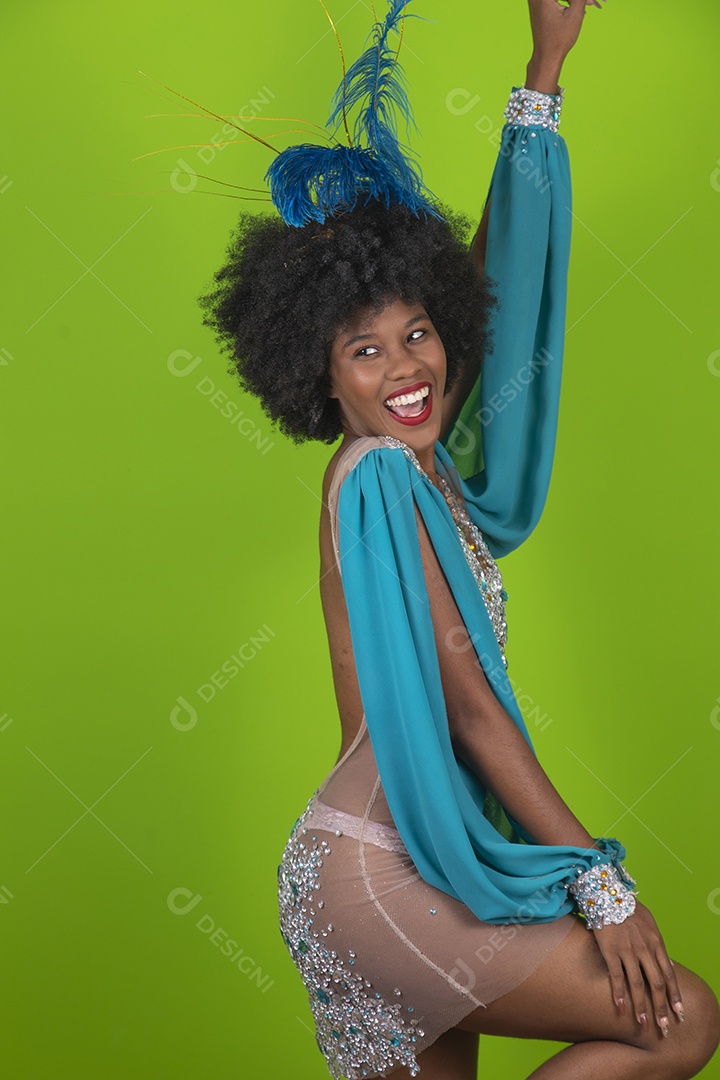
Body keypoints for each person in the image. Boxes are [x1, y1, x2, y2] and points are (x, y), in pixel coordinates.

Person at [197, 1, 720, 1076]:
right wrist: (600, 884)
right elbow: (468, 705)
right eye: (365, 350)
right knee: (681, 1020)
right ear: (316, 375)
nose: (404, 369)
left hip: (385, 873)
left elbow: (493, 286)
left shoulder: (427, 473)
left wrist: (545, 71)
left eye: (419, 334)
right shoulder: (384, 477)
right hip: (384, 872)